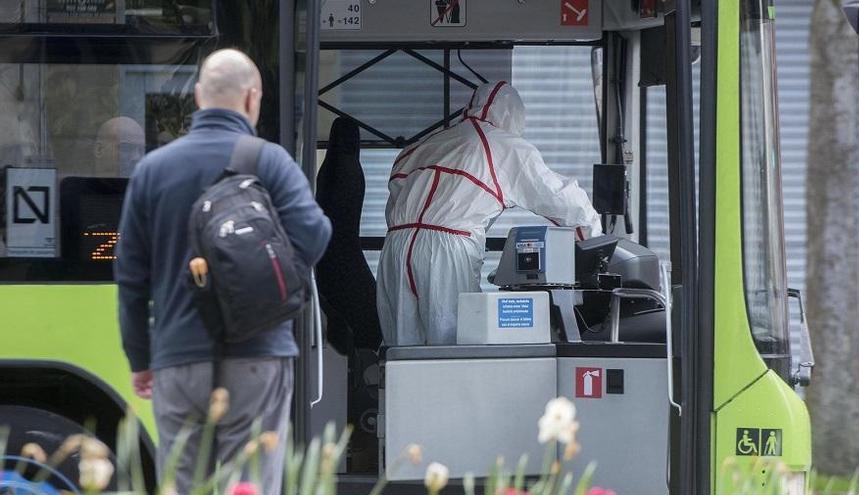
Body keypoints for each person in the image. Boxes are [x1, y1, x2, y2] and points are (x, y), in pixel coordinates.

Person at [115, 48, 331, 494]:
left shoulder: (152, 170)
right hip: (258, 355)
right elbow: (314, 232)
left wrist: (141, 358)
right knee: (249, 484)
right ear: (253, 98)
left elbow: (131, 277)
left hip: (178, 357)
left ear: (198, 97)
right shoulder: (267, 160)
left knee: (185, 484)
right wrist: (271, 280)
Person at [377, 81, 602, 346]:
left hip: (395, 246)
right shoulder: (501, 145)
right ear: (515, 118)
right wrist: (595, 243)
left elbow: (395, 201)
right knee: (452, 344)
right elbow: (561, 198)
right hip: (447, 247)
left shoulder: (420, 147)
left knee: (400, 350)